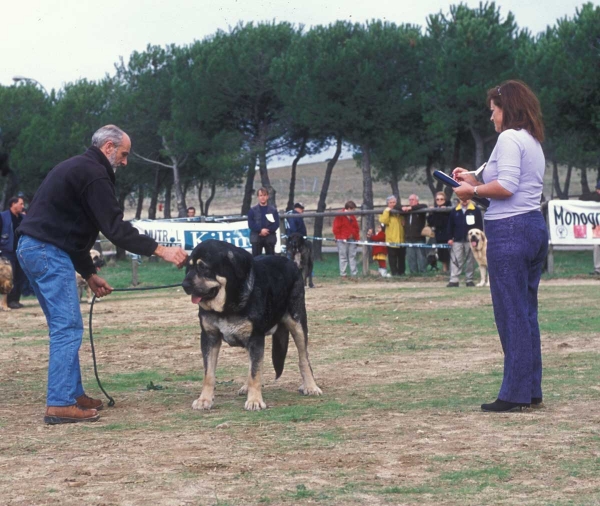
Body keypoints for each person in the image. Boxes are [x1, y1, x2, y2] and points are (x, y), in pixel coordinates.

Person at [16, 125, 188, 425]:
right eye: (123, 154)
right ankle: (58, 403)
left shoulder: (79, 168)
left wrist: (89, 273)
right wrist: (162, 250)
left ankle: (73, 395)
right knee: (67, 328)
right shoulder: (94, 174)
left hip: (33, 249)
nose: (125, 161)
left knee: (64, 325)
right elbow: (115, 229)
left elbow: (74, 228)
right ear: (108, 147)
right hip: (46, 251)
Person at [453, 80, 547, 412]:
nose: (491, 117)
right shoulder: (531, 140)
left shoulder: (507, 138)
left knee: (511, 313)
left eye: (493, 110)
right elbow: (512, 185)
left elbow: (506, 187)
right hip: (533, 226)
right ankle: (531, 388)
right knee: (526, 312)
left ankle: (514, 393)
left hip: (510, 231)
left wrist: (471, 193)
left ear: (505, 108)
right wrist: (474, 182)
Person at [445, 197, 483, 287]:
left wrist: (478, 239)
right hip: (457, 239)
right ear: (459, 200)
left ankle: (469, 280)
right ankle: (454, 280)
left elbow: (479, 226)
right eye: (462, 199)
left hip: (471, 241)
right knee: (456, 260)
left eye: (466, 198)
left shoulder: (475, 210)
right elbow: (450, 225)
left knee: (470, 260)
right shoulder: (455, 211)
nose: (464, 200)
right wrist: (449, 238)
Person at [0, 196, 26, 309]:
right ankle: (7, 301)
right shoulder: (2, 217)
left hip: (20, 251)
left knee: (20, 275)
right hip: (7, 251)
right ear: (13, 204)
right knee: (9, 276)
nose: (23, 206)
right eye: (21, 204)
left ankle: (15, 300)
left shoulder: (23, 218)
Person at [247, 187, 279, 256]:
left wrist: (267, 231)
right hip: (256, 238)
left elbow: (276, 224)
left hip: (270, 238)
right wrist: (260, 230)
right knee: (256, 260)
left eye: (264, 195)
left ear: (267, 196)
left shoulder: (273, 210)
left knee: (270, 260)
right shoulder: (252, 210)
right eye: (261, 195)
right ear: (258, 197)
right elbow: (251, 224)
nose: (262, 197)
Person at [332, 200, 360, 277]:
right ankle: (343, 274)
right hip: (342, 239)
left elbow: (356, 228)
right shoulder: (340, 215)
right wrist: (340, 237)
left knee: (352, 256)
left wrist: (356, 238)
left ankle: (354, 274)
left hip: (352, 239)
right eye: (353, 209)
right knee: (343, 256)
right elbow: (336, 228)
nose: (354, 211)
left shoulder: (352, 217)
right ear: (349, 208)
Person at [379, 195, 405, 276]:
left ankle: (401, 273)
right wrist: (387, 211)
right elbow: (383, 221)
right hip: (391, 240)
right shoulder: (386, 213)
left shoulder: (400, 213)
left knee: (401, 258)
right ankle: (394, 273)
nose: (392, 204)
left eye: (394, 202)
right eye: (390, 202)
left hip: (401, 239)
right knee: (392, 259)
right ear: (387, 204)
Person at [401, 194, 428, 274]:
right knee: (411, 257)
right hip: (409, 238)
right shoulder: (407, 211)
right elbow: (397, 207)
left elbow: (425, 205)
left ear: (417, 201)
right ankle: (413, 274)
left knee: (421, 257)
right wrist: (404, 208)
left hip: (419, 238)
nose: (411, 201)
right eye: (410, 200)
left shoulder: (421, 210)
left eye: (413, 199)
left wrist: (411, 208)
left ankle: (423, 273)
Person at [579, 180, 600, 275]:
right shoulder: (594, 197)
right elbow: (582, 198)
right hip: (597, 226)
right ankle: (597, 269)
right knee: (596, 245)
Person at [427, 192, 451, 273]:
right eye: (437, 199)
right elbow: (431, 223)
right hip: (439, 234)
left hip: (449, 234)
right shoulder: (435, 209)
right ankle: (444, 269)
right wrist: (431, 213)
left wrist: (445, 211)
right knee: (441, 252)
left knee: (450, 253)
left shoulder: (450, 208)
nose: (439, 201)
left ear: (445, 200)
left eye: (441, 199)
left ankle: (452, 270)